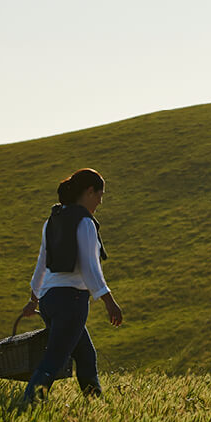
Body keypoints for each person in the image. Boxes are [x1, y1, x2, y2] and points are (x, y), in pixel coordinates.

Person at [21, 168, 123, 403]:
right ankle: (29, 402)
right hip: (72, 301)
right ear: (89, 192)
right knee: (54, 358)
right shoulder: (85, 222)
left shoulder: (53, 220)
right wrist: (109, 301)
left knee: (86, 355)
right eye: (100, 195)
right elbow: (90, 268)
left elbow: (42, 262)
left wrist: (34, 297)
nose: (100, 201)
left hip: (49, 300)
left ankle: (95, 403)